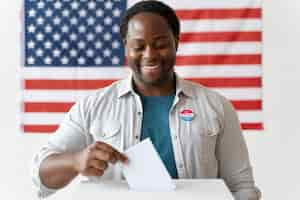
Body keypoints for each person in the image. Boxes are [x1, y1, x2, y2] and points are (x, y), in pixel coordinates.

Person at [31, 1, 261, 199]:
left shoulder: (216, 106)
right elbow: (41, 177)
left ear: (176, 43)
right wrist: (76, 160)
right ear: (126, 48)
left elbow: (241, 188)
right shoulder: (92, 107)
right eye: (139, 46)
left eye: (160, 44)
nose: (150, 54)